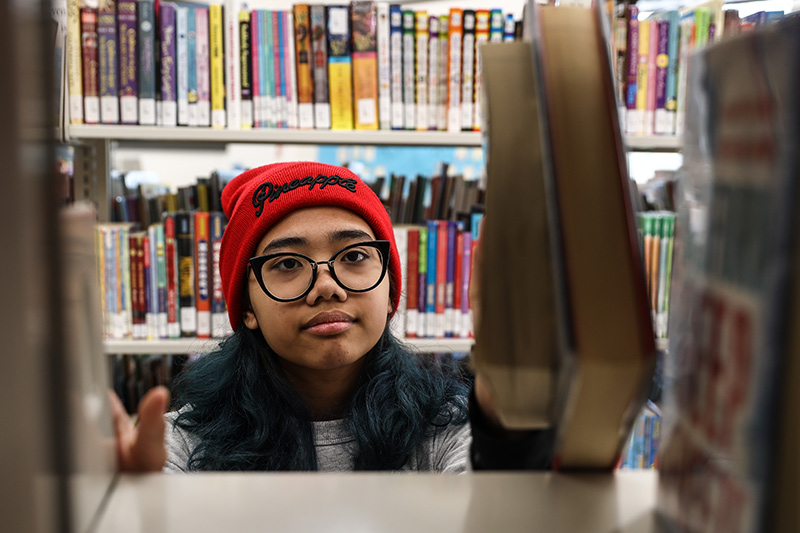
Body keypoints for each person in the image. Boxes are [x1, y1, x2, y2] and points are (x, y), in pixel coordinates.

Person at [110, 161, 553, 472]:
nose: (328, 286)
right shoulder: (185, 442)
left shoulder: (444, 428)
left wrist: (511, 439)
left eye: (355, 255)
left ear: (390, 291)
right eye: (287, 264)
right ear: (246, 308)